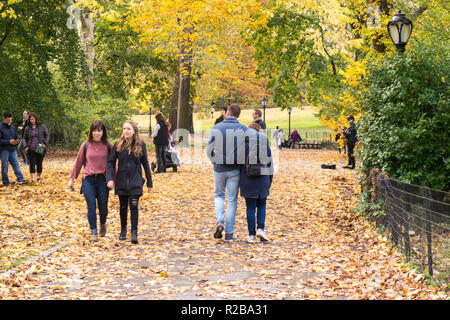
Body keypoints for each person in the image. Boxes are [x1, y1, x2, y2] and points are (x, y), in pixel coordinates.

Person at [206, 104, 248, 242]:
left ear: (228, 113)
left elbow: (208, 149)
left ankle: (219, 221)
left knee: (218, 195)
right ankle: (229, 234)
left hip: (219, 168)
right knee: (231, 200)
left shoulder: (217, 127)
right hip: (235, 169)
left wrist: (214, 160)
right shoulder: (243, 129)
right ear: (238, 115)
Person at [106, 120, 152, 244]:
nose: (126, 131)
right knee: (122, 207)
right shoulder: (118, 145)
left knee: (134, 206)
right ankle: (123, 230)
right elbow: (110, 162)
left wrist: (149, 182)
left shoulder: (140, 145)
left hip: (135, 182)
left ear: (134, 131)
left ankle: (134, 232)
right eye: (124, 129)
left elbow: (146, 163)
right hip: (121, 182)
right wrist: (109, 178)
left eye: (128, 129)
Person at [69, 120, 113, 242]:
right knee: (91, 206)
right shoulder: (86, 145)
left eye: (99, 130)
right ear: (91, 131)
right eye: (94, 130)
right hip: (88, 179)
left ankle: (103, 223)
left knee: (103, 207)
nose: (97, 133)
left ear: (103, 131)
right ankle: (93, 232)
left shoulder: (108, 145)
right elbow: (78, 162)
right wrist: (72, 179)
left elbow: (113, 164)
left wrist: (113, 179)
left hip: (103, 180)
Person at [240, 122, 273, 243]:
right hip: (263, 177)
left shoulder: (242, 143)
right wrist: (269, 180)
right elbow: (269, 162)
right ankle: (260, 228)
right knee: (262, 205)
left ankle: (251, 236)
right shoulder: (264, 141)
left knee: (250, 207)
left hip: (247, 178)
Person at [0, 111, 28, 186]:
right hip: (4, 150)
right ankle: (6, 182)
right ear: (4, 118)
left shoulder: (12, 127)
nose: (10, 121)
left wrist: (16, 141)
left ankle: (20, 179)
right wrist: (8, 141)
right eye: (8, 120)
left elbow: (15, 136)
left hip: (12, 149)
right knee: (5, 166)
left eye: (11, 120)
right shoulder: (0, 127)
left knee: (16, 165)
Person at [23, 112, 50, 183]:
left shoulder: (42, 126)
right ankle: (33, 179)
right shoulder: (27, 128)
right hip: (31, 148)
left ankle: (38, 177)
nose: (32, 121)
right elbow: (24, 138)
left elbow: (47, 135)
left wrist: (45, 143)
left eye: (33, 119)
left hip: (40, 148)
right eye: (30, 119)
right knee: (32, 164)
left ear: (36, 119)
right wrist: (25, 146)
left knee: (39, 164)